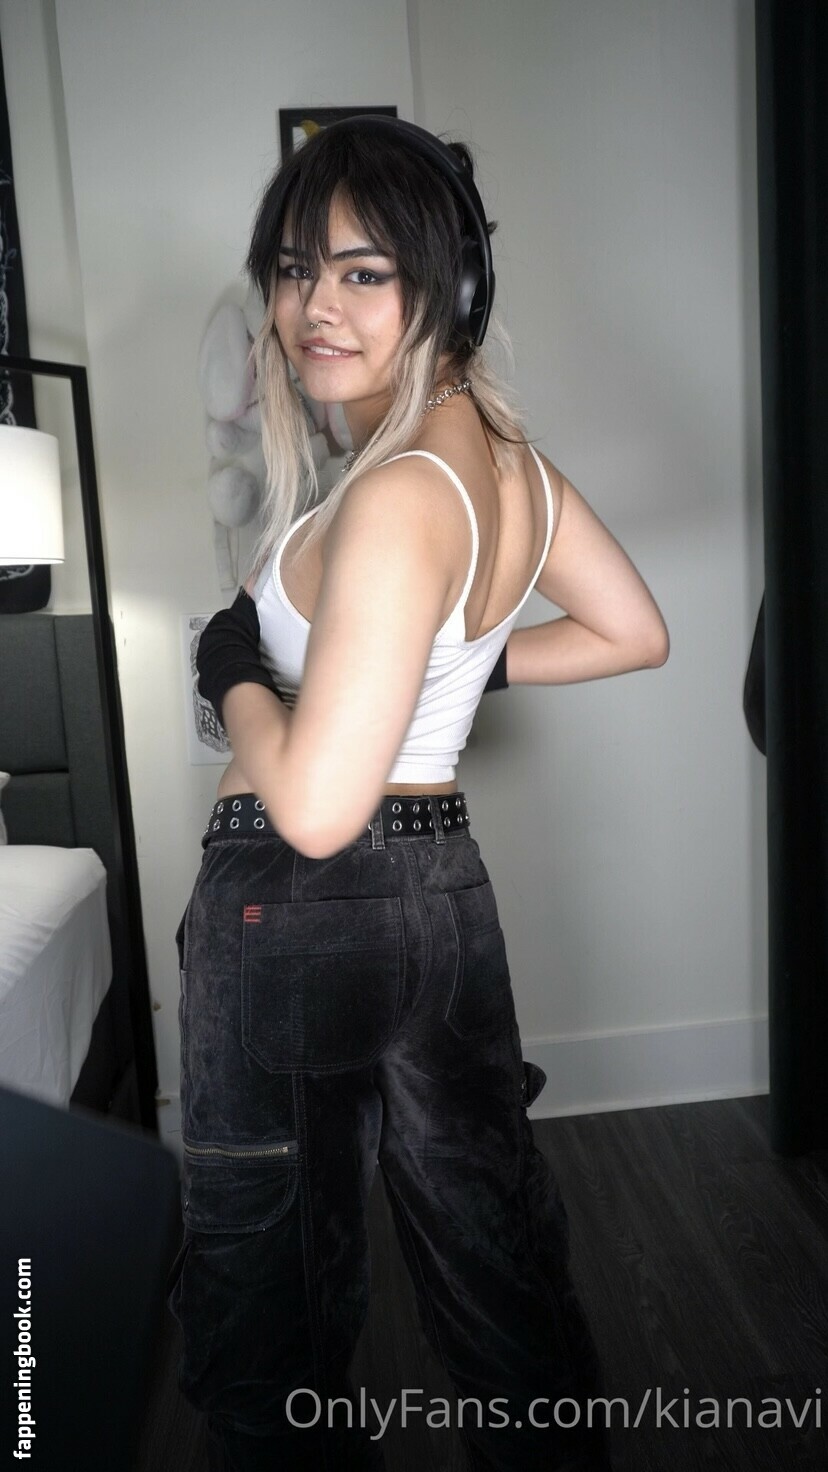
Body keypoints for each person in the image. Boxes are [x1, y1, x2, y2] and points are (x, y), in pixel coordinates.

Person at [167, 116, 669, 1472]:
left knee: (271, 1304)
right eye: (293, 269)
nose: (311, 306)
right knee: (495, 1260)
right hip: (440, 892)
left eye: (362, 272)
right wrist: (446, 669)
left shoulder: (397, 493)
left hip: (295, 906)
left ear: (449, 282)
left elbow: (318, 811)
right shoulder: (508, 466)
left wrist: (233, 672)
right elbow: (635, 632)